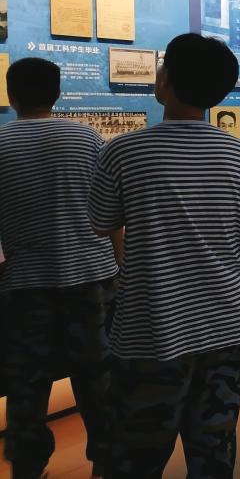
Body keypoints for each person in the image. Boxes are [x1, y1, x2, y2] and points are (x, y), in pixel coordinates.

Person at [89, 34, 240, 477]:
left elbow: (101, 224)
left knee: (136, 456)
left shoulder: (123, 152)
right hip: (229, 325)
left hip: (153, 328)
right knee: (214, 450)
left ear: (165, 80)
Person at [0, 58, 118, 479]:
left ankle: (28, 465)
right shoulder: (87, 138)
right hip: (91, 276)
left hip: (25, 282)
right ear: (58, 94)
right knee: (96, 376)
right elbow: (110, 213)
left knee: (26, 383)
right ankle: (106, 460)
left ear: (11, 95)